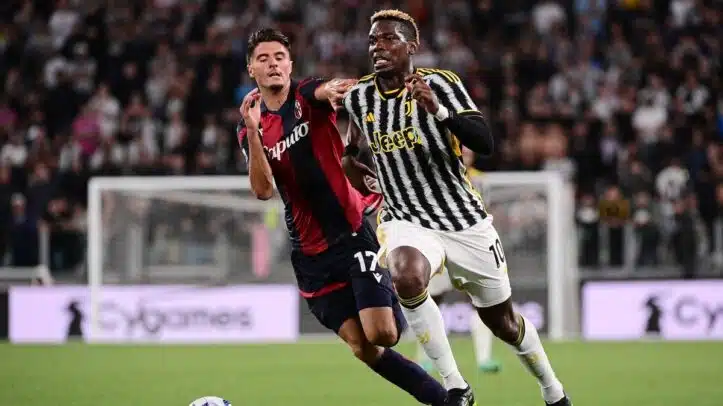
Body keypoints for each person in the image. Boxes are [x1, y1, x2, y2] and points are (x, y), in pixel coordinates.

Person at [341, 10, 572, 406]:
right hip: (406, 219)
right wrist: (359, 173)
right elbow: (351, 152)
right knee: (406, 276)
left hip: (462, 220)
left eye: (389, 39)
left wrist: (439, 111)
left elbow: (484, 142)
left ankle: (553, 391)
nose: (378, 47)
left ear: (411, 46)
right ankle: (456, 387)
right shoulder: (359, 97)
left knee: (503, 323)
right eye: (373, 41)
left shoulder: (441, 83)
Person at [237, 28, 448, 406]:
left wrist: (339, 89)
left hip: (351, 234)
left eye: (279, 57)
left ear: (290, 64)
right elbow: (264, 189)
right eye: (263, 59)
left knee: (383, 335)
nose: (273, 65)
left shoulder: (305, 95)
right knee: (363, 348)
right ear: (251, 68)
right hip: (310, 255)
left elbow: (327, 89)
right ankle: (446, 400)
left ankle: (402, 282)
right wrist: (252, 131)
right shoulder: (249, 125)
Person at [417, 266, 502, 374]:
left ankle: (484, 359)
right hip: (441, 263)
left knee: (480, 302)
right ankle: (425, 359)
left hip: (464, 262)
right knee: (429, 305)